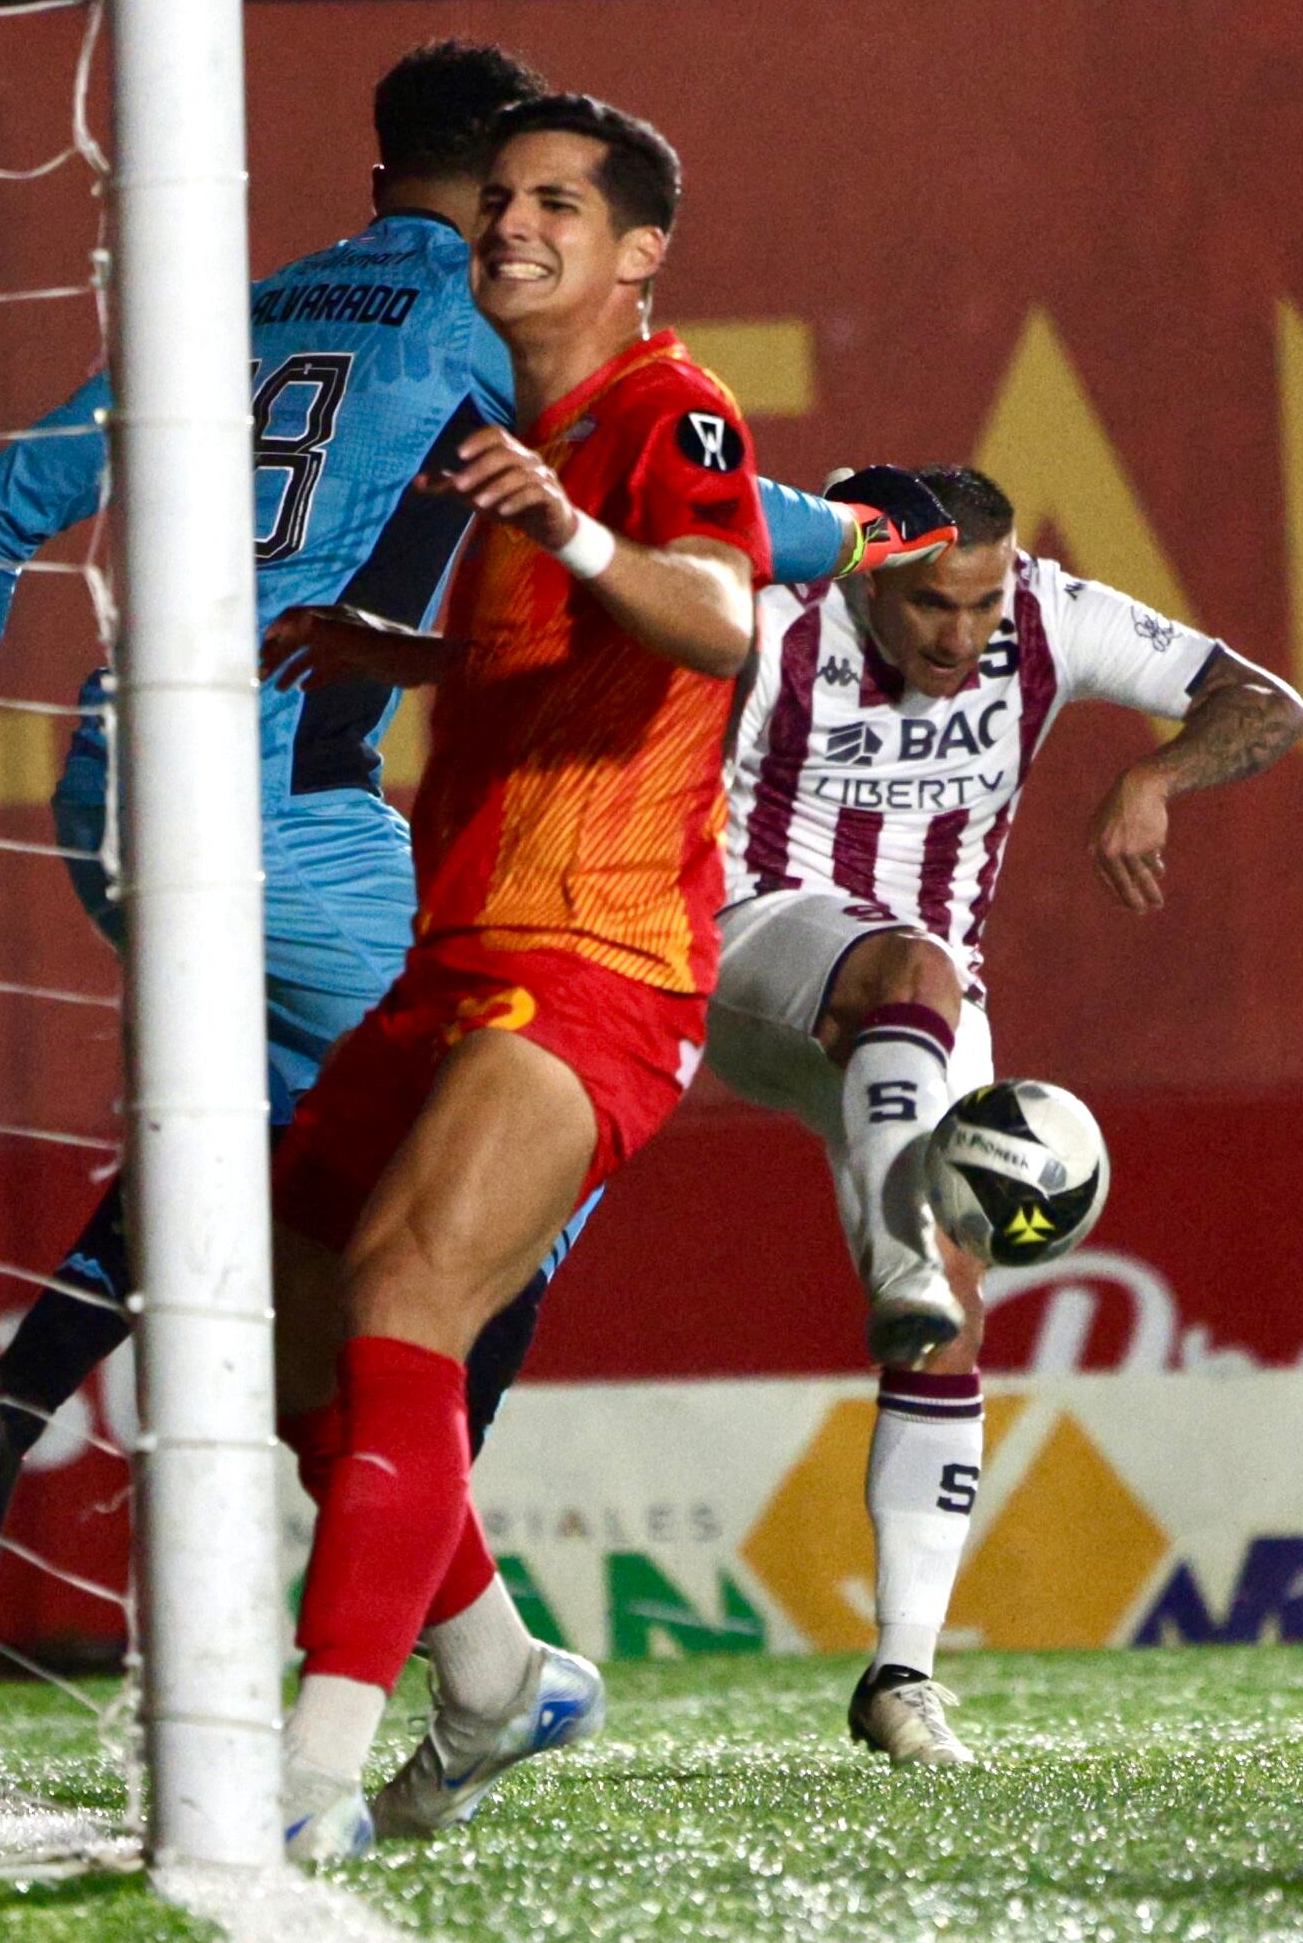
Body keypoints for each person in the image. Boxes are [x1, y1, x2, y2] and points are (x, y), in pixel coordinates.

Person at [0, 44, 920, 1609]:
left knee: (288, 1145)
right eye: (518, 195)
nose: (523, 228)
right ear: (494, 192)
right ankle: (438, 1592)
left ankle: (11, 1416)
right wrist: (878, 535)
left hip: (112, 781)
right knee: (533, 1136)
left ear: (374, 174)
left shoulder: (232, 309)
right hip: (279, 797)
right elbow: (700, 515)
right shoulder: (482, 313)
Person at [249, 92, 776, 1860]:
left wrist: (567, 528)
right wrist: (392, 650)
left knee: (408, 1295)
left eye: (558, 202)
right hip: (456, 951)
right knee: (288, 1322)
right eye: (498, 197)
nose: (511, 223)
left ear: (639, 251)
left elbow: (718, 617)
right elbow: (555, 655)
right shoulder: (522, 434)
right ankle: (491, 1673)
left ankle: (309, 1776)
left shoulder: (670, 410)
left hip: (600, 963)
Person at [701, 463, 1303, 1765]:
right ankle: (903, 1258)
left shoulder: (1051, 615)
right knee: (909, 981)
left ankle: (901, 1673)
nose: (963, 636)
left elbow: (1267, 702)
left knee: (953, 1313)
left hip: (926, 1007)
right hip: (755, 947)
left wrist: (1159, 776)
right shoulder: (772, 614)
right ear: (869, 573)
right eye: (933, 605)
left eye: (982, 606)